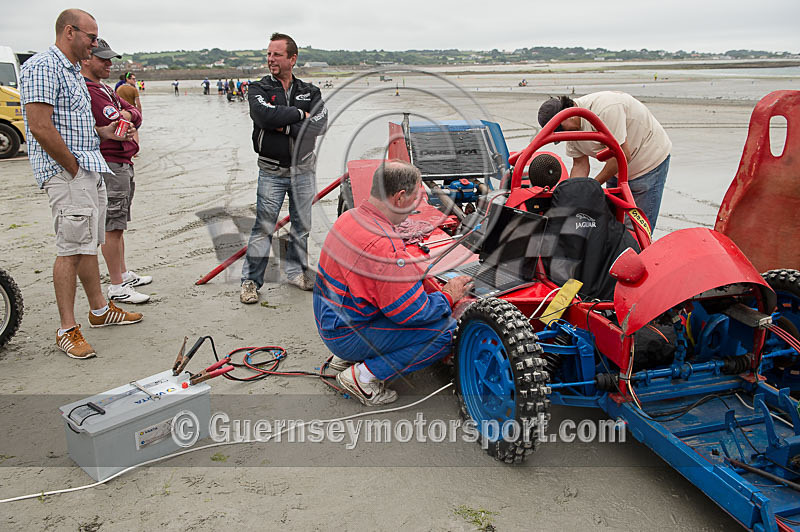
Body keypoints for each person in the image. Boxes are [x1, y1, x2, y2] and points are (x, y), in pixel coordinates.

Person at [20, 8, 143, 359]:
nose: (95, 43)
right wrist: (72, 167)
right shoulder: (43, 66)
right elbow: (40, 126)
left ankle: (100, 310)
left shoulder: (74, 70)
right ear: (69, 31)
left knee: (88, 243)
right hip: (68, 172)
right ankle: (66, 328)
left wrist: (107, 132)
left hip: (90, 166)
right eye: (92, 36)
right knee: (70, 249)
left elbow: (77, 124)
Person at [313, 161, 472, 405]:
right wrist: (448, 296)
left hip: (330, 321)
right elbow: (412, 313)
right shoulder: (384, 245)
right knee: (447, 332)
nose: (416, 207)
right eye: (416, 199)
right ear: (399, 197)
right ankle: (363, 377)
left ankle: (349, 357)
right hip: (345, 335)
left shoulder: (350, 217)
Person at [240, 32, 328, 303]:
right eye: (268, 54)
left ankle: (296, 272)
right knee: (263, 227)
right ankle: (250, 282)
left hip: (304, 169)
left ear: (292, 58)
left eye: (277, 54)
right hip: (271, 171)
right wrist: (300, 115)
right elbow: (264, 116)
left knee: (302, 226)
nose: (271, 59)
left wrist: (286, 126)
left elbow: (320, 125)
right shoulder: (258, 88)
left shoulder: (310, 91)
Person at [82, 38, 152, 305]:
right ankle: (116, 285)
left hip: (122, 161)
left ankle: (122, 274)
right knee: (112, 224)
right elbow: (113, 119)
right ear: (87, 58)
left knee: (119, 223)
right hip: (110, 163)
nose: (109, 64)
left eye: (110, 59)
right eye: (103, 59)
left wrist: (128, 115)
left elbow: (134, 114)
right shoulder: (91, 90)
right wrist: (126, 115)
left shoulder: (105, 88)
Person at [537, 92, 672, 230]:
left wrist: (592, 186)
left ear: (568, 114)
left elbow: (623, 155)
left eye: (561, 130)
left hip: (648, 163)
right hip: (616, 169)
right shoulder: (571, 127)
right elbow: (580, 165)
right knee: (613, 227)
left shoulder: (606, 110)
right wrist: (573, 195)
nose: (563, 135)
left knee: (637, 229)